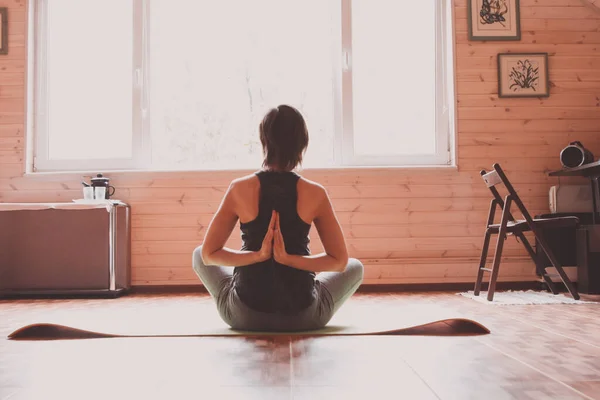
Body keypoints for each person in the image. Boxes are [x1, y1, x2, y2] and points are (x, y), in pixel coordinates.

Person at [192, 105, 364, 332]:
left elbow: (209, 254)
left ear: (264, 140)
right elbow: (339, 261)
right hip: (302, 317)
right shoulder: (315, 193)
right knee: (355, 266)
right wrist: (289, 259)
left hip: (245, 316)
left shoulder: (239, 188)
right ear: (302, 143)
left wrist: (257, 256)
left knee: (198, 253)